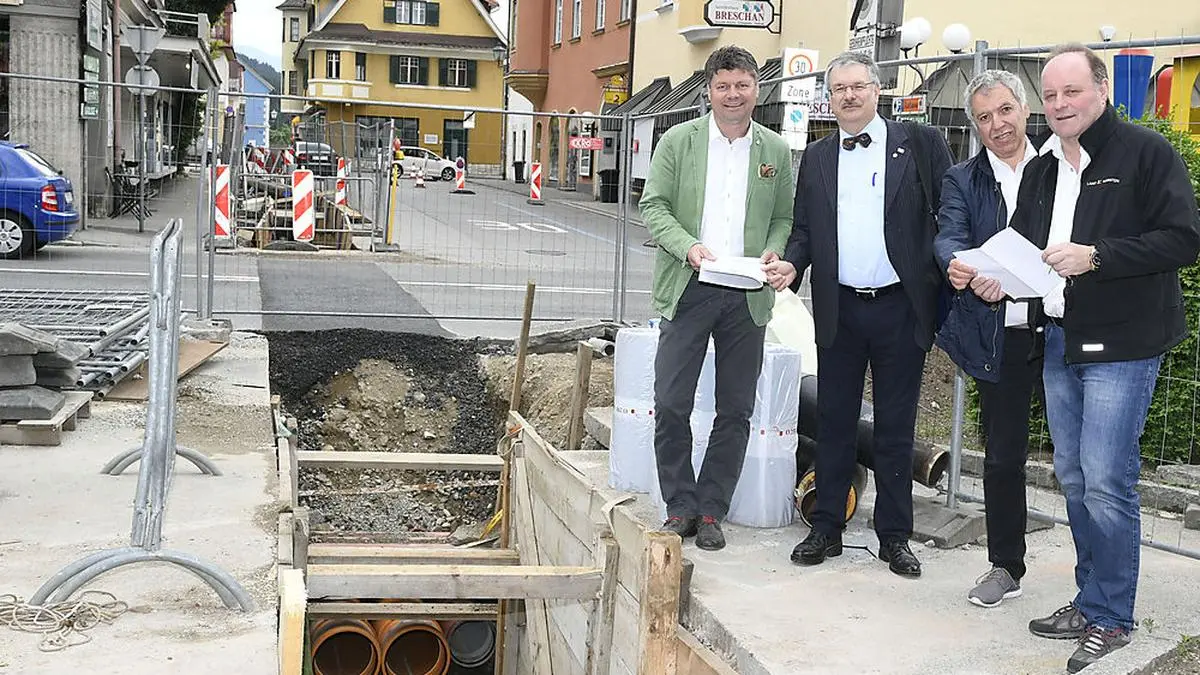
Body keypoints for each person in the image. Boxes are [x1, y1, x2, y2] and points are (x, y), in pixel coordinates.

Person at [1009, 43, 1200, 673]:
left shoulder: (1147, 153)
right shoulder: (1041, 169)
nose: (1060, 104)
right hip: (1060, 340)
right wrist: (997, 275)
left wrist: (1098, 256)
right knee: (1073, 477)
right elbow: (1025, 245)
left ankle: (1113, 616)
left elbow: (1183, 239)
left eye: (1072, 92)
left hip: (1122, 343)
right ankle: (1091, 600)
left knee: (1106, 478)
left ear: (1102, 91)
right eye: (1052, 95)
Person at [764, 51, 952, 577]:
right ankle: (826, 527)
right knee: (835, 419)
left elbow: (949, 214)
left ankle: (895, 537)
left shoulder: (919, 145)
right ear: (830, 97)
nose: (848, 95)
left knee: (895, 426)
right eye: (839, 88)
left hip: (900, 306)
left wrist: (948, 274)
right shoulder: (819, 158)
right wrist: (790, 267)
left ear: (877, 89)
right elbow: (803, 231)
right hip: (839, 306)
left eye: (858, 86)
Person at [639, 45, 795, 552]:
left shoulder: (774, 150)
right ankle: (679, 505)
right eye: (723, 85)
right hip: (690, 287)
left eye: (743, 84)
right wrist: (687, 247)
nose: (734, 94)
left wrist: (774, 251)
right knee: (670, 402)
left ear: (757, 89)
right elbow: (654, 205)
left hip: (747, 296)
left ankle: (710, 510)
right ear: (709, 89)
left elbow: (784, 217)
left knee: (735, 409)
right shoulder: (677, 142)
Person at [933, 70, 1043, 607]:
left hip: (1064, 332)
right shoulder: (963, 178)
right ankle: (1006, 566)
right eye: (983, 118)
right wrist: (957, 265)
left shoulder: (1061, 168)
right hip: (1003, 338)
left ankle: (1097, 580)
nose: (996, 125)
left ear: (1024, 109)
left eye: (1004, 111)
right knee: (1002, 459)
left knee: (1082, 462)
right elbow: (950, 235)